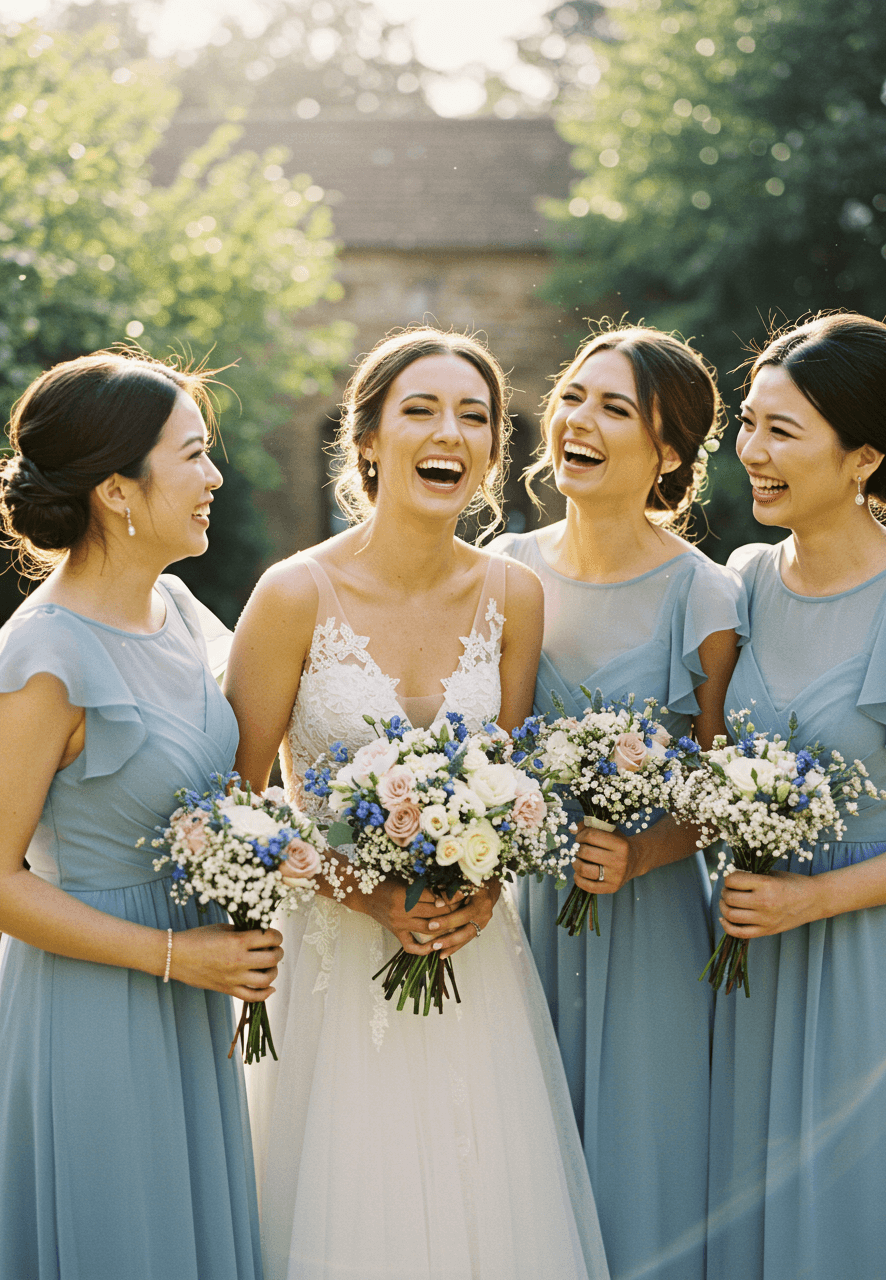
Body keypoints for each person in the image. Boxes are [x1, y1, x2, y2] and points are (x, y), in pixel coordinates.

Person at [225, 327, 609, 1280]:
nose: (452, 432)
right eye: (422, 410)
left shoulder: (516, 595)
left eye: (475, 416)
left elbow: (512, 787)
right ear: (366, 443)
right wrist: (362, 894)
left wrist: (483, 887)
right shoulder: (291, 594)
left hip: (476, 963)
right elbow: (238, 806)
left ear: (491, 451)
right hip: (332, 962)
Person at [0, 351, 283, 1280]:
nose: (215, 478)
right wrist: (173, 955)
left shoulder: (175, 605)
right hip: (96, 1007)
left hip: (191, 1000)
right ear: (118, 491)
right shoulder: (44, 654)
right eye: (194, 456)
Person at [492, 324, 747, 1280]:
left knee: (648, 1180)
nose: (577, 422)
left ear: (668, 451)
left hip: (652, 929)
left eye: (613, 407)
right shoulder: (503, 566)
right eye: (571, 397)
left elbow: (722, 788)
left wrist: (642, 851)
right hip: (519, 921)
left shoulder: (707, 596)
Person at [707, 313, 886, 1279]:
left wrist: (811, 898)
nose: (752, 452)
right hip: (750, 956)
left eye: (783, 431)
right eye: (748, 423)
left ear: (863, 456)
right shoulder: (742, 583)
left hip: (868, 960)